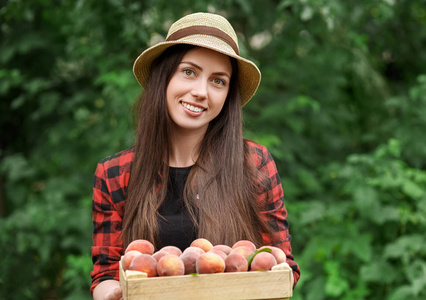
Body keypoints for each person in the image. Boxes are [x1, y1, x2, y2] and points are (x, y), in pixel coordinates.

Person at [90, 12, 300, 300]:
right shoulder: (116, 173)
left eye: (218, 81)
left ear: (228, 96)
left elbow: (284, 268)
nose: (201, 92)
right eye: (189, 72)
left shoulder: (253, 164)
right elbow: (105, 274)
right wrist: (116, 293)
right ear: (163, 77)